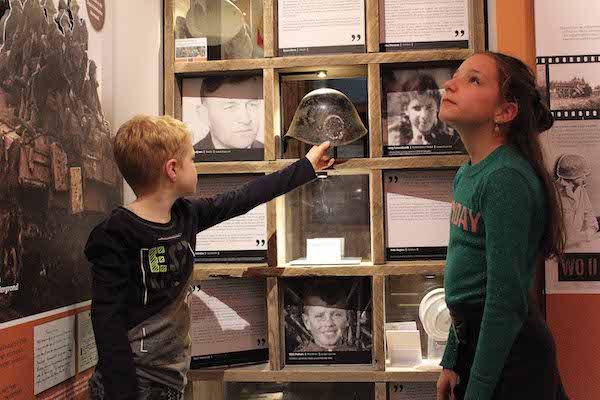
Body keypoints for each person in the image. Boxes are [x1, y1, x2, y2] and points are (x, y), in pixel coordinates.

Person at [84, 114, 334, 400]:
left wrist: (306, 167)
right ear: (173, 170)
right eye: (192, 159)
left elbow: (242, 198)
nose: (196, 166)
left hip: (168, 381)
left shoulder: (184, 215)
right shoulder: (116, 233)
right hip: (133, 385)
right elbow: (107, 320)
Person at [435, 52, 568, 400]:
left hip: (511, 357)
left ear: (505, 112)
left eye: (473, 80)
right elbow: (468, 288)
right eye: (456, 75)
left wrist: (478, 391)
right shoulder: (469, 172)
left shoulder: (505, 178)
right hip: (478, 345)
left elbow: (504, 299)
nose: (450, 84)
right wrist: (452, 359)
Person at [193, 76, 263, 150]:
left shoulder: (268, 151)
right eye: (230, 107)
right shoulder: (188, 158)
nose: (245, 119)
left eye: (252, 105)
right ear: (204, 115)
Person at [388, 74, 459, 147]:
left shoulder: (451, 142)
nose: (424, 115)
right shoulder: (397, 143)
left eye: (429, 107)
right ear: (405, 109)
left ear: (437, 106)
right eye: (417, 108)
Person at [294, 279, 356, 352]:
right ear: (307, 322)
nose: (329, 323)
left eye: (336, 315)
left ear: (347, 319)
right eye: (319, 316)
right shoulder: (298, 359)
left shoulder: (359, 357)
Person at [555, 153, 599, 248]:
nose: (584, 178)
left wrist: (590, 231)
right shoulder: (554, 193)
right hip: (560, 248)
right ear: (571, 176)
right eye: (581, 175)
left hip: (579, 245)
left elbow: (589, 215)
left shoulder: (581, 190)